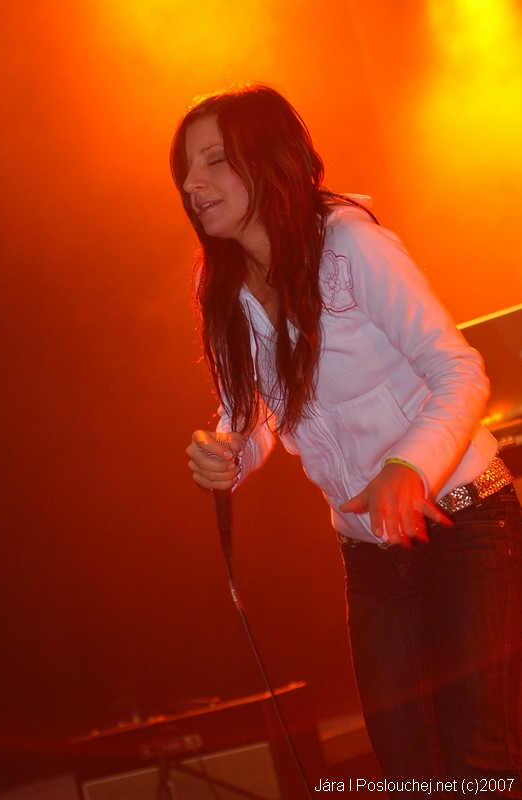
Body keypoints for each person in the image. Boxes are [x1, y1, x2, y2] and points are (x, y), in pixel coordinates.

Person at [170, 83, 522, 797]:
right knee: (407, 770)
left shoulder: (351, 244)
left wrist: (407, 468)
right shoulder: (221, 284)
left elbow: (459, 372)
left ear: (268, 159)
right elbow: (256, 411)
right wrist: (229, 452)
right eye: (185, 167)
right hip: (370, 553)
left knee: (478, 764)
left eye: (214, 160)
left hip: (467, 523)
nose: (191, 182)